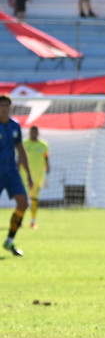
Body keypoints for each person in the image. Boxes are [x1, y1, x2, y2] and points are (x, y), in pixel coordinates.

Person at [0, 95, 33, 256]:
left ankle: (10, 240)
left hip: (11, 172)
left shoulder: (15, 126)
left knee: (23, 203)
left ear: (10, 108)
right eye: (1, 106)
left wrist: (29, 175)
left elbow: (20, 150)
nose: (4, 108)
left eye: (6, 105)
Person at [20, 125, 48, 229]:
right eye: (32, 132)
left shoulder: (44, 145)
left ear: (38, 133)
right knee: (23, 199)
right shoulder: (24, 144)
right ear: (29, 133)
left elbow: (46, 160)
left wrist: (48, 174)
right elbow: (19, 159)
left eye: (35, 132)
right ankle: (20, 221)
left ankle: (32, 221)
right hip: (25, 177)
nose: (33, 134)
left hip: (38, 177)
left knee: (34, 200)